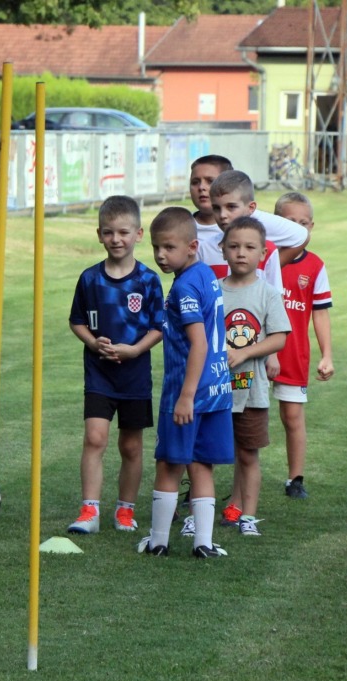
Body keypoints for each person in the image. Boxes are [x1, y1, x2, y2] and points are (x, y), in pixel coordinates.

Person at [136, 206, 234, 558]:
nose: (161, 255)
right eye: (156, 247)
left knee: (169, 463)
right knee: (202, 463)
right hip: (217, 389)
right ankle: (203, 543)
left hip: (188, 390)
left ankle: (159, 541)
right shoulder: (207, 274)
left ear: (192, 246)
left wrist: (185, 396)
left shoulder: (184, 288)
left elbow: (200, 343)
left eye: (169, 247)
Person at [66, 195, 165, 535]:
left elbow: (158, 327)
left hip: (134, 377)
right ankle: (89, 510)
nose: (116, 239)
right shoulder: (90, 279)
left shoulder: (148, 281)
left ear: (138, 234)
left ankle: (125, 510)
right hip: (99, 374)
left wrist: (135, 350)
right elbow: (77, 320)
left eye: (123, 232)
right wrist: (92, 342)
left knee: (131, 445)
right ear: (99, 234)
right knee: (95, 438)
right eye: (109, 233)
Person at [218, 216, 290, 536]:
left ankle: (247, 516)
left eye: (249, 247)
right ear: (223, 251)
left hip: (250, 388)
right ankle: (200, 512)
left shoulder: (267, 293)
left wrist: (245, 352)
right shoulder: (214, 291)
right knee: (206, 451)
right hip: (216, 388)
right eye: (234, 246)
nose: (241, 253)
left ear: (263, 253)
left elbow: (279, 337)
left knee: (248, 453)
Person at [271, 192, 335, 500]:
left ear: (312, 226)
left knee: (292, 416)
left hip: (292, 354)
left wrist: (327, 354)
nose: (297, 229)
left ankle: (295, 478)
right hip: (253, 353)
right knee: (239, 414)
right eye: (288, 222)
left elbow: (320, 313)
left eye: (303, 223)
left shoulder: (315, 266)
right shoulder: (262, 257)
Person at [188, 155, 308, 294]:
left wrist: (256, 267)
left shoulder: (256, 221)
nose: (202, 187)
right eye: (195, 181)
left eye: (210, 181)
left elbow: (301, 236)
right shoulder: (193, 235)